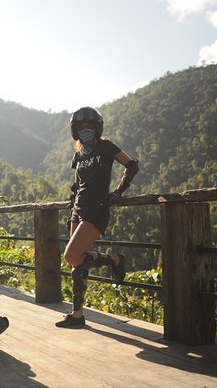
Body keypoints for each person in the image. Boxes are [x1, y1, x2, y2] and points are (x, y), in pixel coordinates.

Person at [55, 107, 139, 329]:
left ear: (97, 127)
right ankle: (77, 315)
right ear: (74, 130)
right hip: (78, 209)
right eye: (81, 127)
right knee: (78, 263)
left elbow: (132, 165)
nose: (85, 130)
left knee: (72, 256)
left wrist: (119, 192)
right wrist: (71, 207)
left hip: (97, 208)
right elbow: (77, 185)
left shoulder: (105, 147)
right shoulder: (79, 153)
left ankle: (115, 260)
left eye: (89, 126)